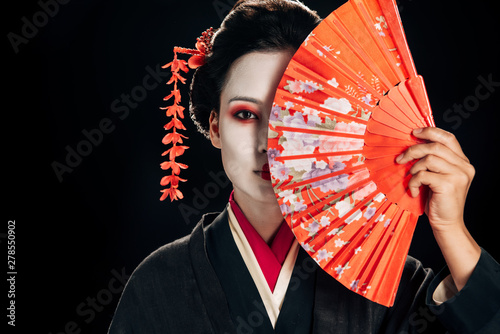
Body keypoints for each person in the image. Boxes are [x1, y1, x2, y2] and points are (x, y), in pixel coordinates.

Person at [108, 1, 500, 333]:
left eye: (290, 115)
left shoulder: (383, 279)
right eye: (245, 114)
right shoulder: (158, 284)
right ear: (214, 127)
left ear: (328, 125)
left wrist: (452, 230)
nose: (268, 143)